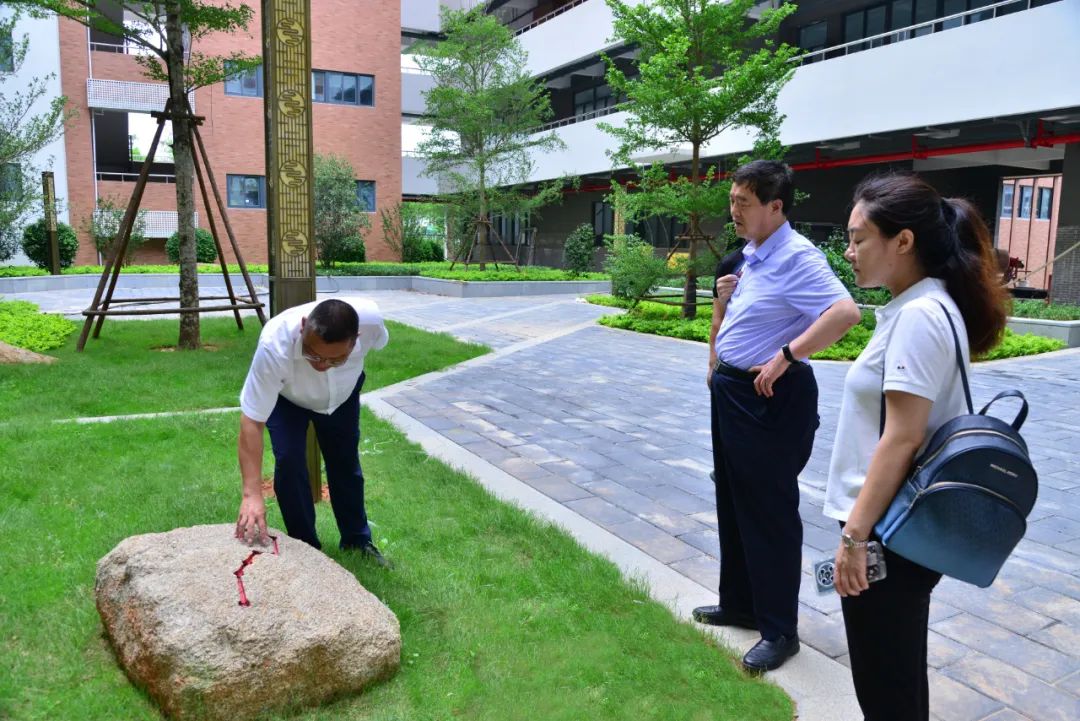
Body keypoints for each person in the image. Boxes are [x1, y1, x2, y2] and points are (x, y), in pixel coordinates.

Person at [824, 174, 1008, 720]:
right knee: (894, 675)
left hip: (887, 529)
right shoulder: (927, 306)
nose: (850, 252)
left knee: (886, 686)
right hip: (898, 526)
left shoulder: (919, 317)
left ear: (903, 242)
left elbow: (902, 437)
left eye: (859, 239)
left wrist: (855, 538)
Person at [693, 160, 861, 673]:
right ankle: (741, 602)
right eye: (732, 201)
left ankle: (780, 630)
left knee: (769, 511)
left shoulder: (796, 255)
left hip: (769, 398)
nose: (734, 211)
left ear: (775, 206)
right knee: (734, 500)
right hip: (735, 394)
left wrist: (788, 354)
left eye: (744, 203)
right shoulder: (753, 254)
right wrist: (718, 353)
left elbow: (845, 312)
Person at [235, 297, 390, 565]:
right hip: (288, 399)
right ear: (304, 326)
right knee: (290, 460)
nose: (320, 365)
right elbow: (252, 421)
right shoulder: (274, 345)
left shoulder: (372, 322)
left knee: (345, 463)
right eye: (312, 354)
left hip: (342, 397)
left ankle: (357, 541)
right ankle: (306, 547)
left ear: (357, 339)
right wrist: (251, 494)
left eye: (335, 360)